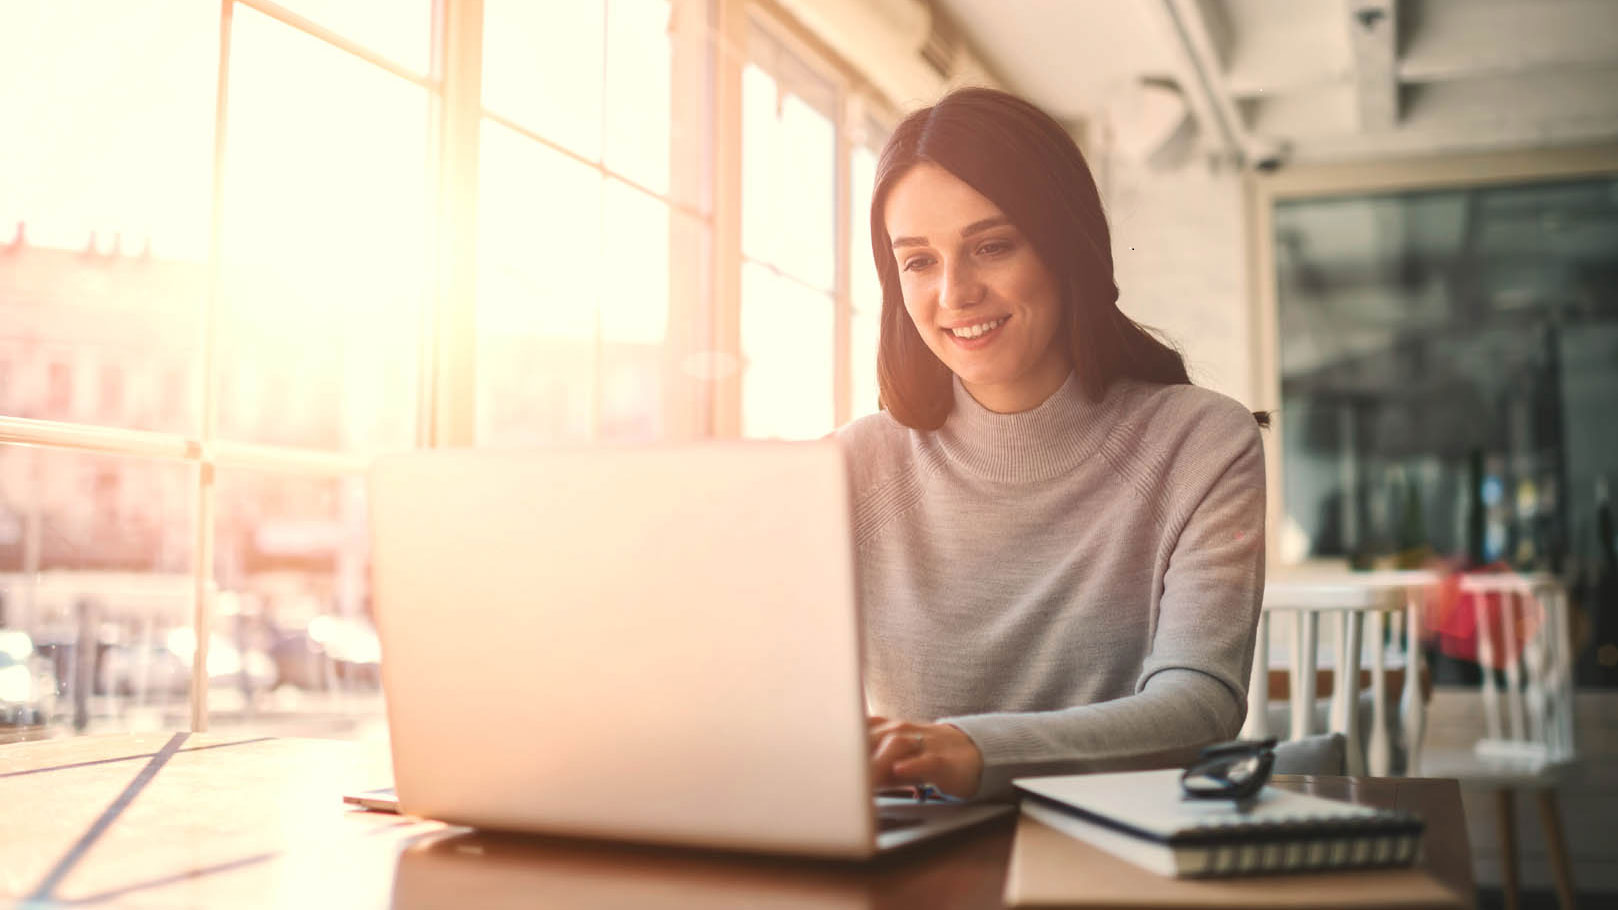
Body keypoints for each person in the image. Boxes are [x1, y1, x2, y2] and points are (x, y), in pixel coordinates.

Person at [839, 87, 1268, 800]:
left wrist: (971, 750)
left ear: (1066, 246)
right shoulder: (852, 467)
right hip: (914, 863)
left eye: (992, 246)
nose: (954, 292)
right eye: (918, 261)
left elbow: (1199, 709)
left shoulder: (1200, 443)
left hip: (1120, 857)